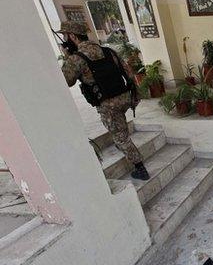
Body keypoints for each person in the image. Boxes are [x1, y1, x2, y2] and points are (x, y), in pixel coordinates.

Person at [58, 21, 150, 180]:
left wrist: (67, 57)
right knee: (120, 128)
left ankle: (140, 169)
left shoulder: (76, 59)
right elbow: (128, 72)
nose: (64, 39)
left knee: (121, 138)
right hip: (124, 97)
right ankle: (124, 141)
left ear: (72, 36)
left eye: (65, 36)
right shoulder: (108, 51)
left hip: (108, 104)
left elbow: (66, 80)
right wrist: (136, 95)